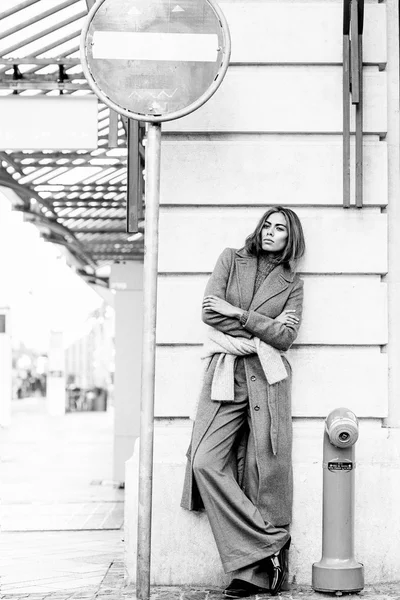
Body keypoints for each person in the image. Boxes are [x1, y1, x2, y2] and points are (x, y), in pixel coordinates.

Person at [181, 207, 305, 598]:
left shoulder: (292, 283)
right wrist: (263, 327)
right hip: (226, 375)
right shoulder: (230, 259)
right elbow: (208, 312)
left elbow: (287, 337)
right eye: (267, 225)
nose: (270, 232)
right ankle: (271, 541)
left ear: (291, 239)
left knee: (259, 472)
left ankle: (251, 574)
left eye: (280, 228)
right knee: (205, 461)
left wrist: (236, 313)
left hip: (266, 382)